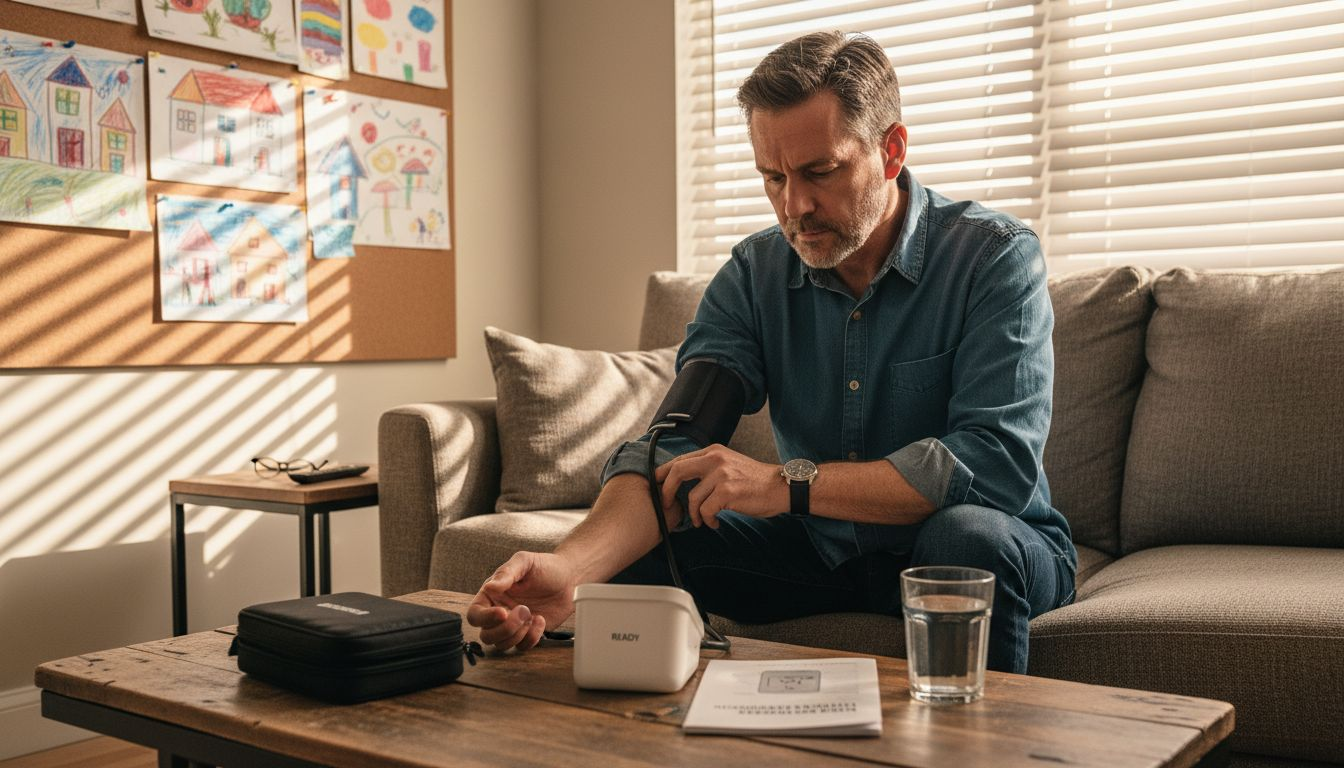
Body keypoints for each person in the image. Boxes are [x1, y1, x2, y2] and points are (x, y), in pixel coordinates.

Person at [467, 31, 1076, 674]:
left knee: (966, 536)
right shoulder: (754, 274)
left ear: (891, 150)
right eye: (772, 176)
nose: (795, 206)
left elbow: (995, 463)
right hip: (821, 552)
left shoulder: (994, 257)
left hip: (993, 546)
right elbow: (674, 441)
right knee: (649, 545)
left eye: (820, 172)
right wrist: (571, 567)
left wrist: (787, 485)